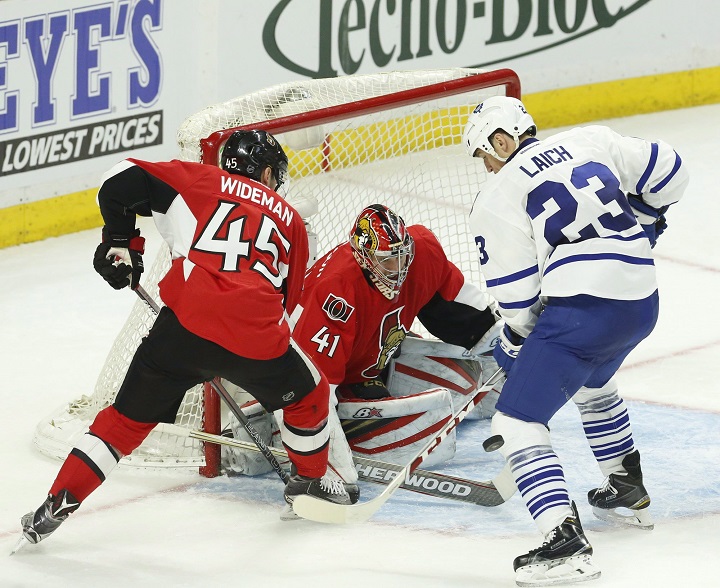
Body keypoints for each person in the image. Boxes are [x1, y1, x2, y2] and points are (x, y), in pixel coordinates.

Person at [17, 129, 351, 549]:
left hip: (182, 331)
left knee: (122, 423)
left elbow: (117, 179)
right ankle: (310, 483)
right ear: (266, 172)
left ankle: (57, 502)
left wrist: (120, 242)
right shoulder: (290, 220)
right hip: (255, 338)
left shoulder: (198, 181)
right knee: (310, 394)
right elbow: (287, 305)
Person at [462, 96, 688, 586]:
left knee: (517, 420)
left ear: (501, 142)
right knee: (591, 384)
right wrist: (645, 222)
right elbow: (672, 171)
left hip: (585, 310)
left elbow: (519, 302)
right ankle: (625, 485)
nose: (486, 166)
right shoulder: (589, 139)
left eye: (484, 153)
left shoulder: (498, 196)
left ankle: (564, 544)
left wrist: (515, 341)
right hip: (641, 300)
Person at [223, 203, 503, 495]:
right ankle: (290, 442)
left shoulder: (423, 251)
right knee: (422, 428)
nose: (399, 270)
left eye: (402, 256)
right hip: (305, 372)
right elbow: (313, 387)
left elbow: (459, 305)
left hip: (369, 362)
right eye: (387, 261)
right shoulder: (334, 294)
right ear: (364, 258)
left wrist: (502, 339)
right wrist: (327, 472)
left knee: (465, 379)